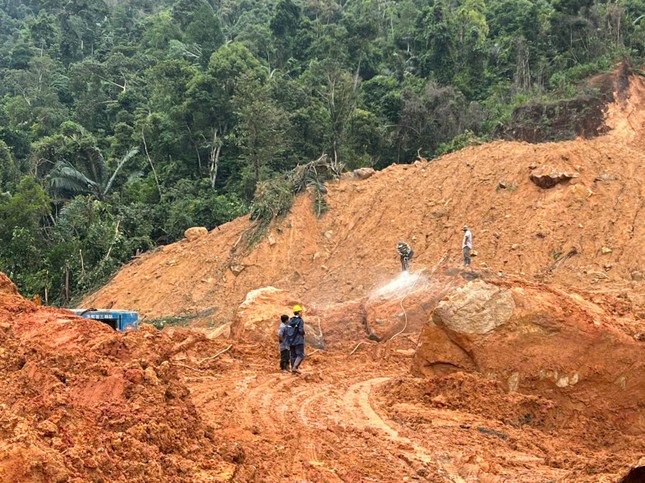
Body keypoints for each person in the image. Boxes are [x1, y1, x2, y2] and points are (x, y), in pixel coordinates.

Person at [287, 305, 306, 374]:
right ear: (298, 312)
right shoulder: (300, 320)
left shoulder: (290, 320)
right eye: (301, 311)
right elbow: (301, 330)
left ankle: (293, 370)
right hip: (298, 341)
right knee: (301, 355)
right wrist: (303, 333)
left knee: (293, 355)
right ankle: (295, 367)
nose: (302, 313)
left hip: (291, 341)